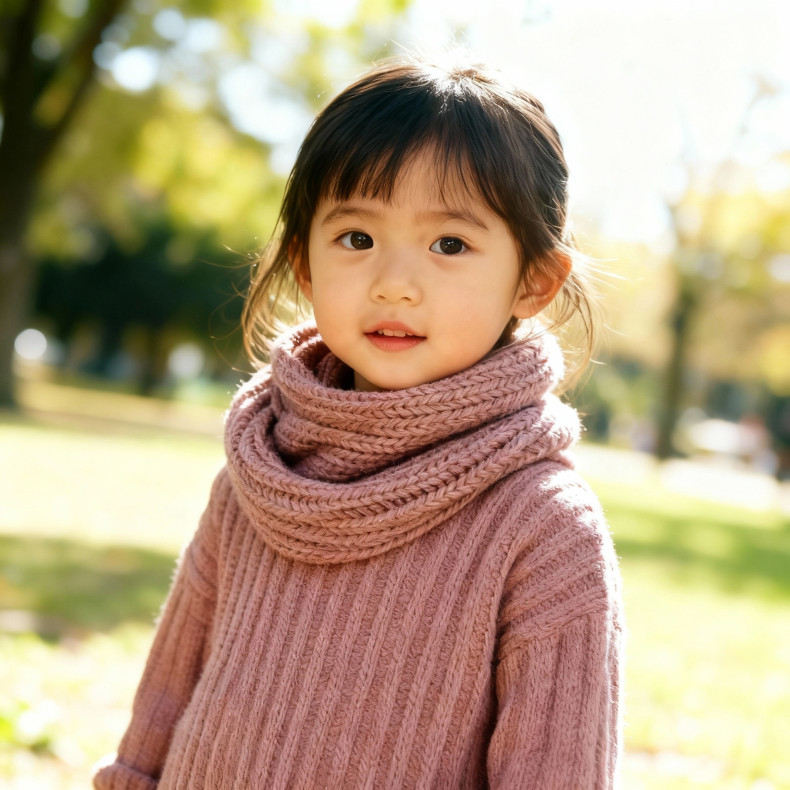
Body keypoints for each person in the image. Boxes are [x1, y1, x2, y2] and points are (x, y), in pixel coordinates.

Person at [94, 53, 623, 790]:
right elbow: (166, 697)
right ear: (305, 263)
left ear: (533, 281)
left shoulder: (541, 526)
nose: (394, 285)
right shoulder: (259, 468)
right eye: (356, 238)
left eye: (450, 245)